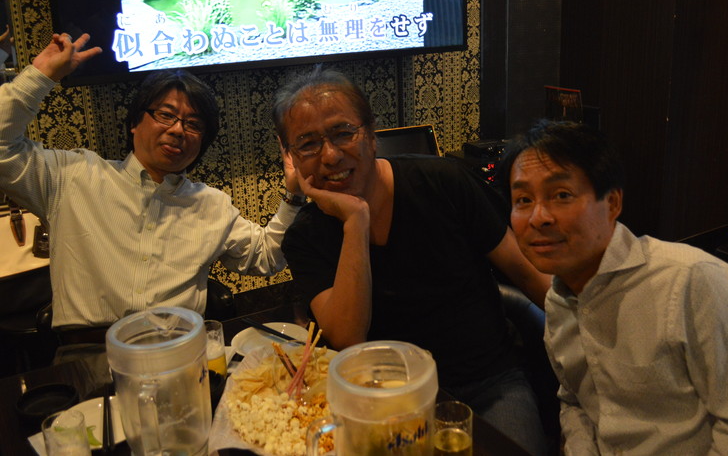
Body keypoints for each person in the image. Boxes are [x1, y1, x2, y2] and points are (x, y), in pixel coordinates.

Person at [273, 67, 554, 454]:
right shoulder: (305, 237)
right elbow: (348, 337)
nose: (331, 155)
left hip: (488, 387)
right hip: (383, 403)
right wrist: (356, 221)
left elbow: (528, 273)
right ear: (290, 155)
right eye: (307, 144)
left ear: (372, 135)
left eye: (343, 133)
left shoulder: (444, 182)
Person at [497, 119, 728, 455]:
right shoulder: (558, 300)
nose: (538, 217)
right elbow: (575, 401)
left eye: (561, 195)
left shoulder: (695, 281)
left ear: (612, 204)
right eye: (523, 200)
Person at [0, 33, 305, 338]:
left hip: (178, 349)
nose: (178, 130)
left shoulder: (211, 204)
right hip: (91, 351)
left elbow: (267, 257)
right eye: (166, 115)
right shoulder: (71, 176)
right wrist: (41, 74)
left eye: (193, 124)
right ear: (135, 122)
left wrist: (294, 194)